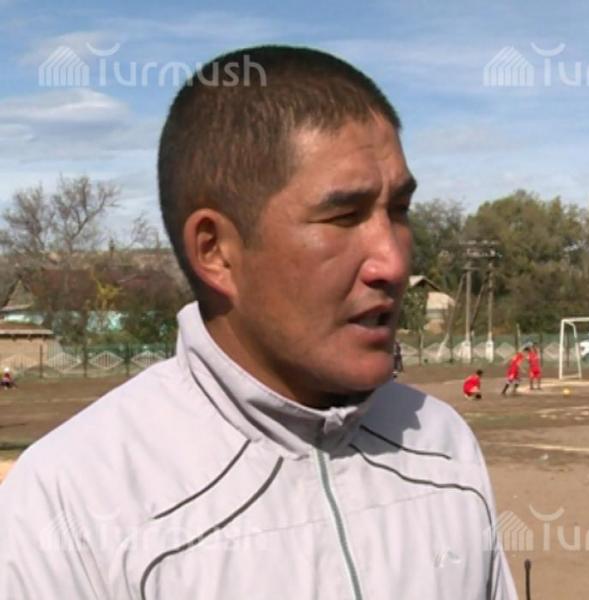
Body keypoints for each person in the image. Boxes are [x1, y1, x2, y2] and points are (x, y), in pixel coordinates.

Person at [0, 47, 516, 600]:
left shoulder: (443, 445)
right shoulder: (71, 504)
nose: (391, 262)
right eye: (343, 217)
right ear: (216, 251)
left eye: (399, 211)